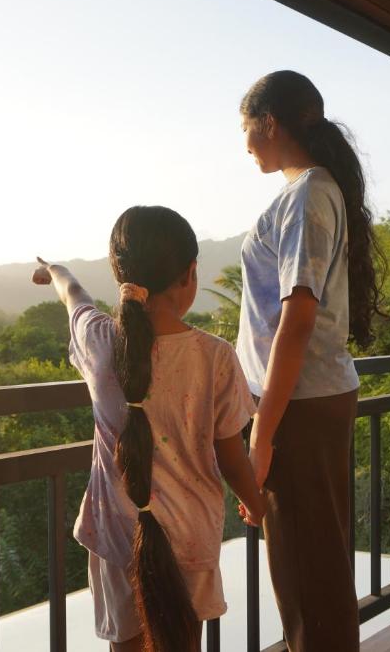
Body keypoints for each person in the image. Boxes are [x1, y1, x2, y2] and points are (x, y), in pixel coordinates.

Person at [34, 205, 265, 652]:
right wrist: (256, 505)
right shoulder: (214, 356)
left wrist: (55, 271)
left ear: (120, 275)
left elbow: (74, 294)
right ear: (189, 274)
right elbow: (231, 455)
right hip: (190, 535)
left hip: (117, 533)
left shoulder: (99, 341)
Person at [236, 70, 384, 651]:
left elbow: (297, 320)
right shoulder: (313, 191)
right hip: (304, 399)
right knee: (312, 564)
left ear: (269, 123)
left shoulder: (307, 195)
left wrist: (262, 435)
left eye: (246, 128)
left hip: (297, 405)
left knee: (305, 572)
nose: (246, 143)